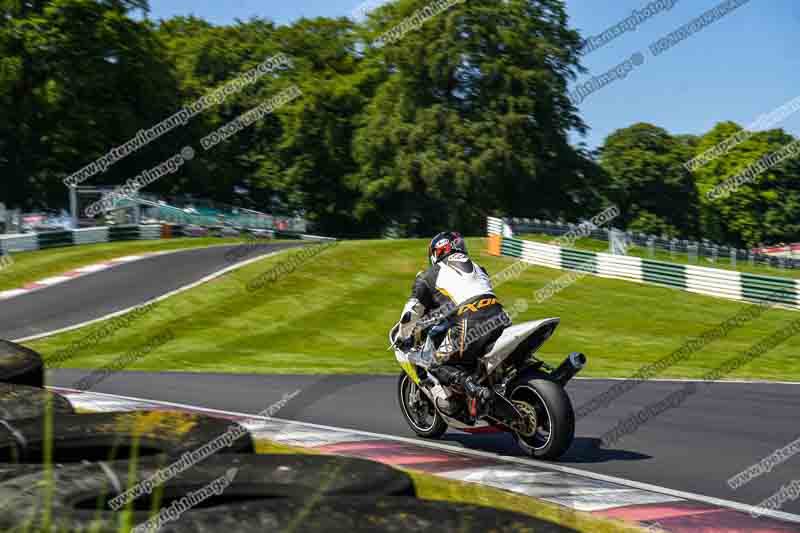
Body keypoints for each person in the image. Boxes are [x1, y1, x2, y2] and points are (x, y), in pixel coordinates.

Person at [397, 232, 511, 419]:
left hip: (469, 324)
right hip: (501, 317)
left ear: (435, 253)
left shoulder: (429, 275)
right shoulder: (478, 267)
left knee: (433, 363)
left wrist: (402, 336)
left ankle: (474, 389)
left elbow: (411, 313)